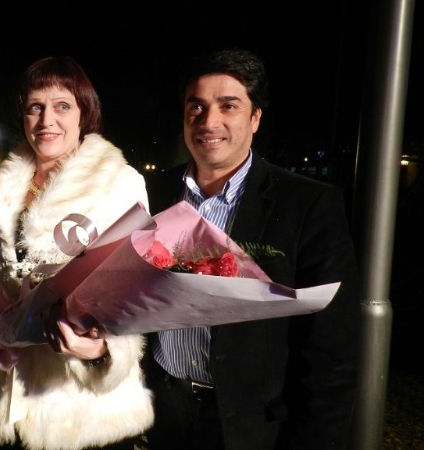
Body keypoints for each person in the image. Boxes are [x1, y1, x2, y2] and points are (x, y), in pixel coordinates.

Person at [0, 56, 154, 450]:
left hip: (84, 416)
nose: (47, 120)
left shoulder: (120, 183)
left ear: (84, 113)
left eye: (62, 106)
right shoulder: (0, 188)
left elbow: (135, 294)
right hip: (0, 404)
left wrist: (100, 350)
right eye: (35, 107)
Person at [144, 48, 360, 449]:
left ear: (255, 117)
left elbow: (332, 353)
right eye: (196, 106)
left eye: (228, 106)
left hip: (253, 427)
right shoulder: (150, 194)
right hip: (163, 415)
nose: (209, 121)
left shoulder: (307, 205)